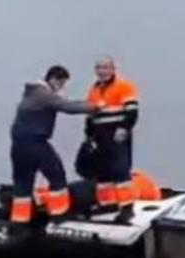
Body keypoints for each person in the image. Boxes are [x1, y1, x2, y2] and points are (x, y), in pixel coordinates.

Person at [8, 65, 95, 223]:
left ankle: (19, 221)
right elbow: (67, 107)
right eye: (61, 84)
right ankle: (59, 215)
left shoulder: (31, 93)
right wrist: (95, 106)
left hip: (18, 145)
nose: (61, 88)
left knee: (22, 183)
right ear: (54, 79)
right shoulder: (43, 94)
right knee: (57, 176)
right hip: (36, 143)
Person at [84, 55, 140, 224]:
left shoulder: (124, 86)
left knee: (120, 170)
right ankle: (107, 204)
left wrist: (124, 128)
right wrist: (89, 136)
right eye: (99, 68)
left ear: (113, 69)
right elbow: (90, 116)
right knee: (103, 172)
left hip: (117, 134)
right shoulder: (93, 90)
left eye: (105, 67)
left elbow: (132, 111)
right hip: (100, 136)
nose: (102, 71)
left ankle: (127, 208)